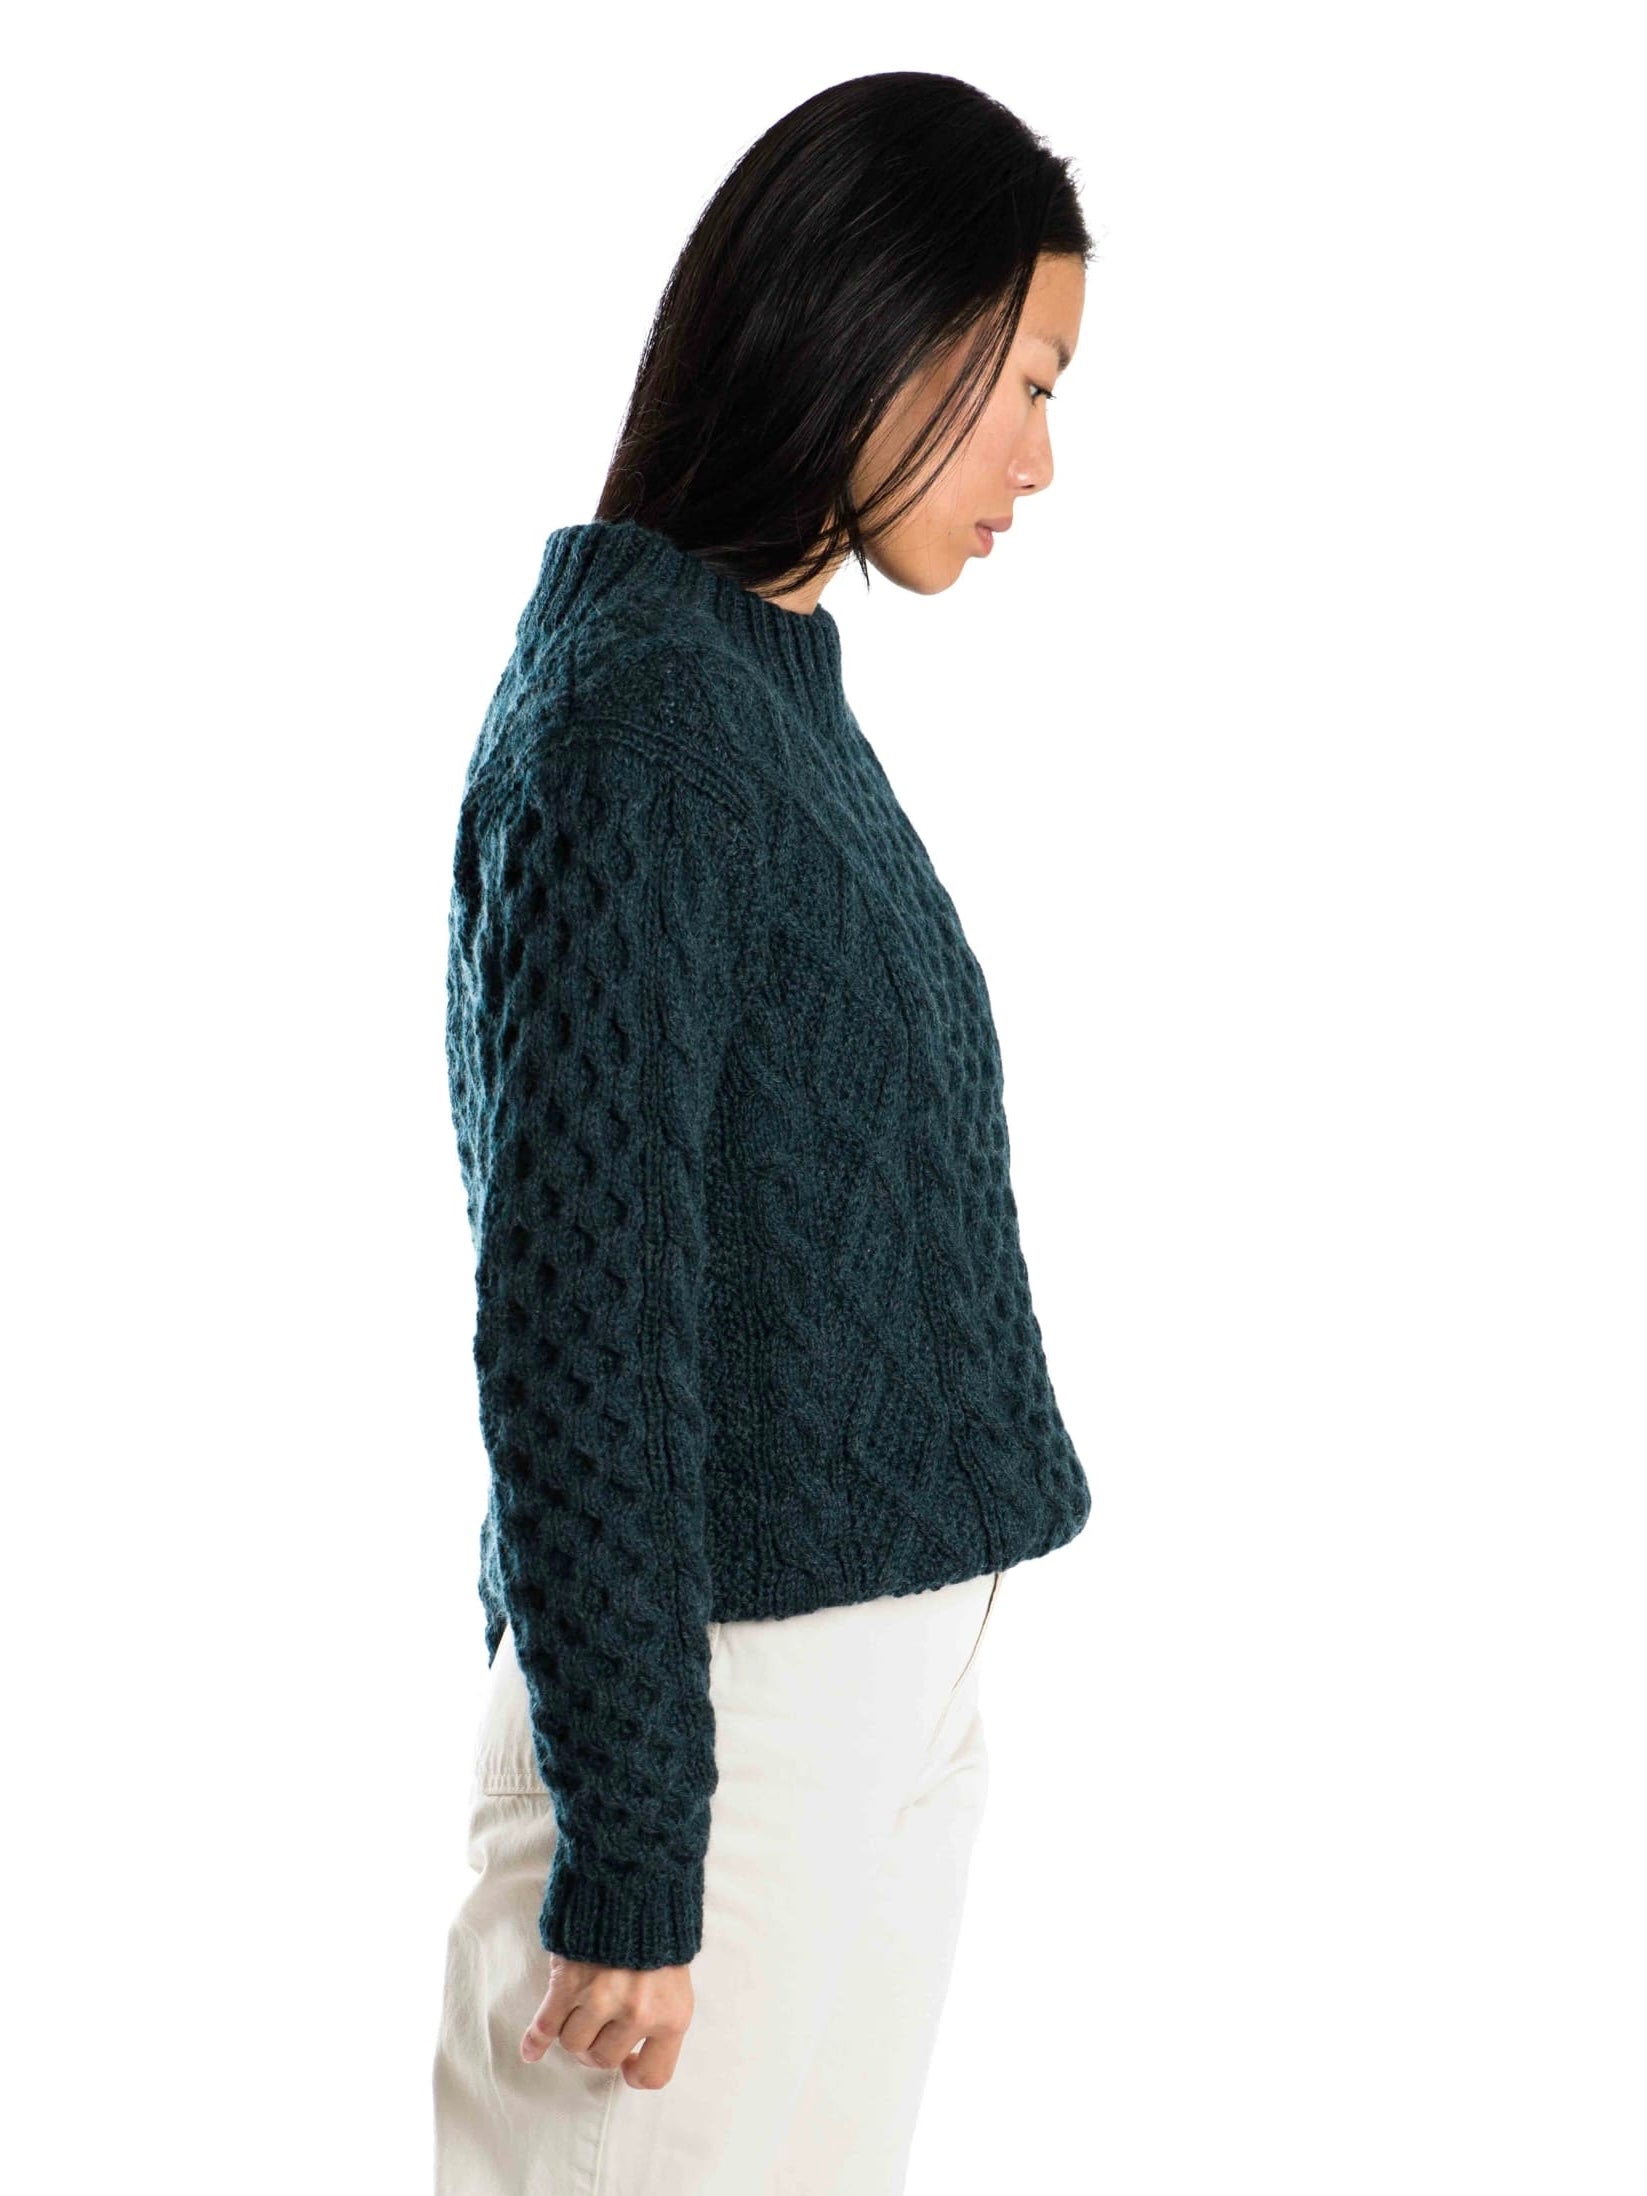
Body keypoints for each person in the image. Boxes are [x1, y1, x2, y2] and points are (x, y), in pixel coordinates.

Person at [432, 68, 1093, 2196]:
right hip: (714, 1729)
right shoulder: (631, 725)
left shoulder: (759, 688)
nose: (1039, 459)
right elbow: (579, 1322)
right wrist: (636, 1842)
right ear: (872, 325)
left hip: (863, 1690)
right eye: (1023, 383)